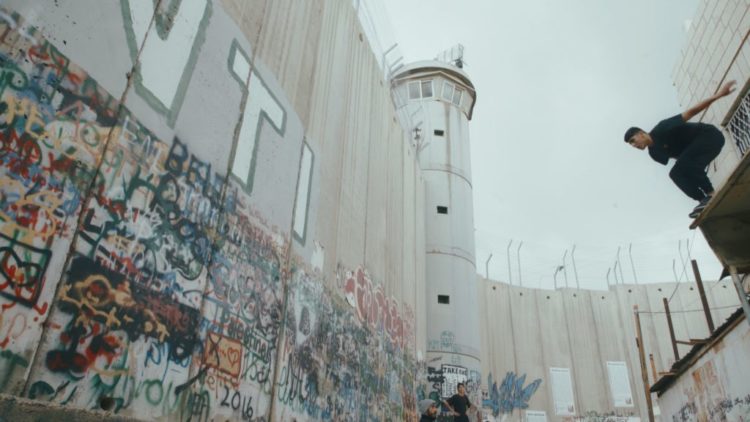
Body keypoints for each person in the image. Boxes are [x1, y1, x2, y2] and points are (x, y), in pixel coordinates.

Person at [624, 80, 737, 218]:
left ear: (641, 133)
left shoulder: (661, 128)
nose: (634, 146)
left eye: (633, 141)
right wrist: (696, 169)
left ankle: (710, 194)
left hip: (709, 136)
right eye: (631, 145)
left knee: (684, 161)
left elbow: (691, 112)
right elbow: (681, 162)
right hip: (699, 150)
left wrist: (719, 95)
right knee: (675, 173)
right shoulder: (654, 154)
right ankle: (702, 200)